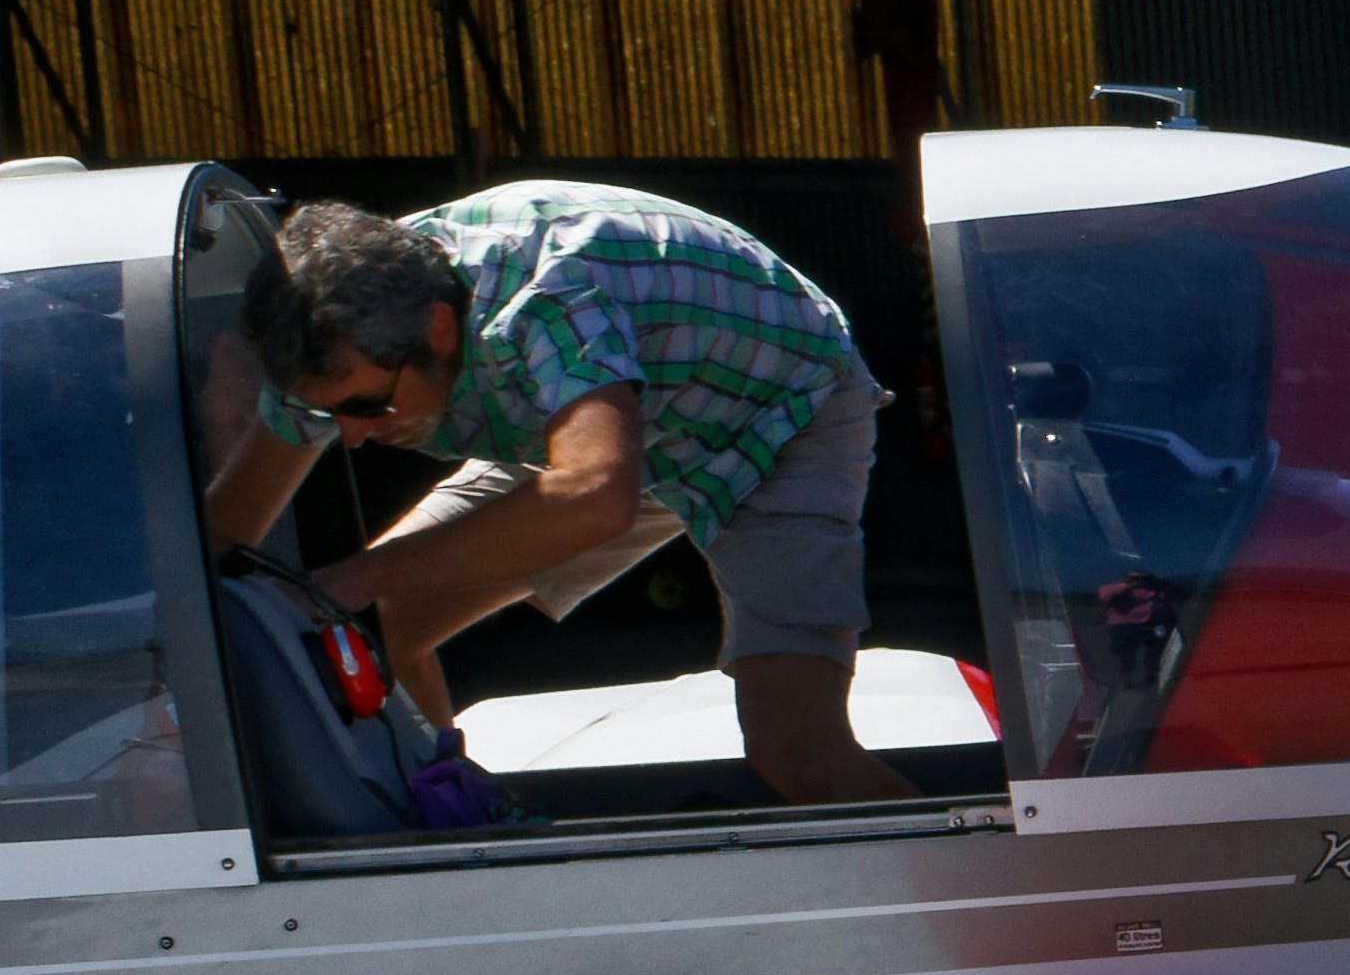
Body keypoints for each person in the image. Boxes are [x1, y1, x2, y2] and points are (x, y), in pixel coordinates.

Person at [210, 187, 909, 810]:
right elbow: (219, 539)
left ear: (439, 331)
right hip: (607, 414)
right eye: (327, 414)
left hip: (771, 407)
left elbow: (596, 495)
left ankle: (978, 912)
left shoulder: (547, 296)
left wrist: (353, 576)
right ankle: (457, 824)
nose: (352, 437)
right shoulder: (328, 330)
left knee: (797, 754)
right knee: (385, 621)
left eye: (367, 405)